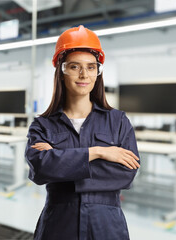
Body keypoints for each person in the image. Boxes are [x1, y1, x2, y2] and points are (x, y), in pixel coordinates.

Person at [25, 25, 140, 240]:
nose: (83, 74)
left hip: (106, 225)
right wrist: (97, 153)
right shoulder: (42, 125)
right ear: (61, 71)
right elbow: (40, 169)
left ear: (98, 72)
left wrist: (61, 161)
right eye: (74, 66)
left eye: (91, 66)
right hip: (59, 224)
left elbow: (126, 174)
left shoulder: (118, 121)